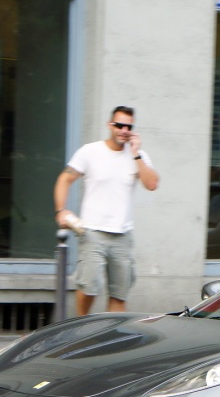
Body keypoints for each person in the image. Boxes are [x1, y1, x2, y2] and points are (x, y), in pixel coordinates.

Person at [54, 105, 160, 315]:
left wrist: (136, 154)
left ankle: (111, 340)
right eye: (119, 125)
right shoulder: (90, 151)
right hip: (92, 232)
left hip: (122, 235)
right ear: (110, 125)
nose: (123, 130)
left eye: (128, 126)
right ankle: (80, 334)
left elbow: (152, 184)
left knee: (119, 294)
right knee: (88, 289)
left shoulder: (138, 156)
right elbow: (65, 179)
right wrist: (60, 210)